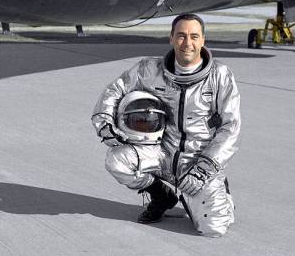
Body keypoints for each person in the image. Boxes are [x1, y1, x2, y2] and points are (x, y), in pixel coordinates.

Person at [91, 13, 241, 237]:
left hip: (196, 161)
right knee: (118, 161)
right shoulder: (149, 70)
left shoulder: (219, 75)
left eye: (193, 36)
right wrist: (104, 122)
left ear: (203, 40)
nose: (187, 43)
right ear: (171, 38)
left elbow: (230, 127)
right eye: (180, 36)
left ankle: (214, 191)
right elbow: (116, 89)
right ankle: (162, 195)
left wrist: (204, 170)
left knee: (214, 228)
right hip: (161, 153)